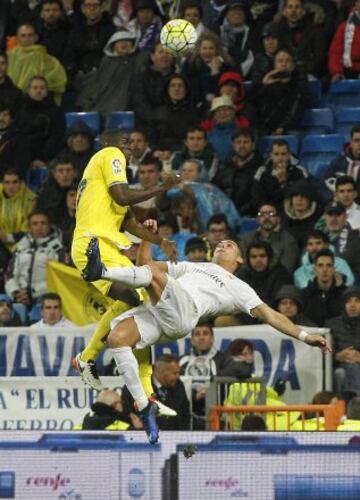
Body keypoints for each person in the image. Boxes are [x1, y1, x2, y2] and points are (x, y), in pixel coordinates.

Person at [82, 233, 331, 443]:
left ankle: (101, 271)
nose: (223, 245)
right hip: (159, 313)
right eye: (220, 243)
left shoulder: (240, 287)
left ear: (240, 259)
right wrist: (147, 239)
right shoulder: (195, 266)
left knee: (154, 278)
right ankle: (144, 406)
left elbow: (272, 315)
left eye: (230, 245)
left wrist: (305, 335)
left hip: (184, 313)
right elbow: (147, 268)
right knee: (117, 339)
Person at [71, 129, 181, 395]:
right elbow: (122, 195)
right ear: (105, 142)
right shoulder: (109, 155)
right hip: (92, 246)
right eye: (124, 142)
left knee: (139, 304)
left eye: (131, 144)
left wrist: (160, 241)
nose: (128, 147)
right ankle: (89, 359)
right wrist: (159, 188)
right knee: (136, 301)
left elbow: (128, 221)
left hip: (107, 247)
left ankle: (144, 390)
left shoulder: (102, 179)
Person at [77, 29, 147, 117]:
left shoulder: (140, 59)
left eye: (127, 41)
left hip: (129, 108)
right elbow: (96, 85)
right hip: (102, 107)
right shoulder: (106, 62)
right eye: (120, 41)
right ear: (113, 45)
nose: (124, 43)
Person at [5, 210, 65, 308]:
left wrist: (32, 293)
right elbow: (8, 275)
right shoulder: (20, 248)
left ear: (49, 226)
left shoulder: (59, 250)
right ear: (29, 227)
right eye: (35, 223)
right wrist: (15, 293)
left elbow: (61, 278)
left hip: (46, 299)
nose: (39, 227)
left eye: (43, 223)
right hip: (19, 299)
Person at [180, 321, 227, 430]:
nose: (201, 337)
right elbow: (177, 388)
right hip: (187, 419)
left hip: (217, 418)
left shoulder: (223, 359)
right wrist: (194, 396)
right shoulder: (182, 361)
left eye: (205, 333)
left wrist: (210, 391)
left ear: (212, 338)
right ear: (191, 340)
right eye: (197, 334)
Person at [7, 23, 67, 104]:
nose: (27, 38)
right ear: (17, 39)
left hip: (40, 102)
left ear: (36, 38)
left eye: (30, 35)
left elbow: (59, 82)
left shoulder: (49, 60)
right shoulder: (7, 58)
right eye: (23, 36)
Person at [14, 75, 66, 167]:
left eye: (42, 88)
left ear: (46, 91)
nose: (38, 90)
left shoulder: (56, 112)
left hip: (44, 156)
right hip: (20, 153)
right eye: (35, 88)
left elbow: (56, 139)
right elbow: (13, 133)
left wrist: (41, 158)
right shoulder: (20, 111)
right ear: (29, 90)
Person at [214, 127, 262, 216]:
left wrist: (236, 213)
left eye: (246, 142)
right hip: (224, 213)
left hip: (248, 215)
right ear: (233, 145)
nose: (242, 146)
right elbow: (216, 191)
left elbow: (256, 199)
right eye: (238, 142)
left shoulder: (260, 169)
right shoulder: (224, 166)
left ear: (253, 145)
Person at [251, 139, 309, 213]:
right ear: (271, 155)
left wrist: (283, 182)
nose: (280, 158)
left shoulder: (299, 172)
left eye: (283, 154)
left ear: (288, 155)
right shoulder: (262, 172)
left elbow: (300, 199)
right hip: (268, 213)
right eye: (276, 154)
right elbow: (257, 199)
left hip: (292, 213)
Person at [239, 202, 299, 273]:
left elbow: (286, 268)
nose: (267, 217)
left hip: (277, 281)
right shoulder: (246, 239)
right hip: (250, 280)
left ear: (278, 219)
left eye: (271, 214)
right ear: (257, 219)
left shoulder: (289, 241)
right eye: (262, 214)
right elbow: (242, 265)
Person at [236, 240, 293, 307]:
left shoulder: (282, 274)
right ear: (248, 259)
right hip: (246, 313)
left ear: (269, 257)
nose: (258, 260)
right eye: (254, 256)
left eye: (262, 256)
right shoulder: (242, 274)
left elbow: (278, 303)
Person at [326, 287, 360, 397]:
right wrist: (337, 356)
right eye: (349, 301)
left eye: (357, 301)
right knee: (340, 373)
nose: (353, 305)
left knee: (352, 367)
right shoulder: (331, 325)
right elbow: (321, 352)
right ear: (344, 305)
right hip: (339, 366)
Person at [302, 249, 348, 327]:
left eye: (328, 265)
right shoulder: (304, 295)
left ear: (333, 269)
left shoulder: (345, 294)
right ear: (315, 269)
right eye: (320, 265)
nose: (324, 269)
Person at [0, 169, 37, 253]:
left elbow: (30, 229)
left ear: (21, 183)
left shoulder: (31, 200)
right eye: (7, 182)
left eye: (14, 182)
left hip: (22, 245)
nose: (10, 186)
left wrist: (7, 237)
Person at [35, 155, 77, 225]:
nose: (65, 174)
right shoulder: (45, 195)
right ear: (54, 174)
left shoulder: (83, 191)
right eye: (61, 171)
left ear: (75, 173)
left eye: (68, 170)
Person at [282, 179, 323, 250]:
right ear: (290, 199)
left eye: (303, 196)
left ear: (310, 200)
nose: (299, 199)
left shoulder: (319, 222)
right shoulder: (282, 220)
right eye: (295, 196)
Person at [324, 124, 360, 196]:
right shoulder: (337, 163)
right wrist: (333, 197)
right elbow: (322, 188)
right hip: (338, 204)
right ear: (351, 143)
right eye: (357, 140)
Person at [328, 0, 360, 81]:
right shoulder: (343, 27)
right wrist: (337, 72)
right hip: (348, 72)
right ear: (356, 4)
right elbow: (335, 53)